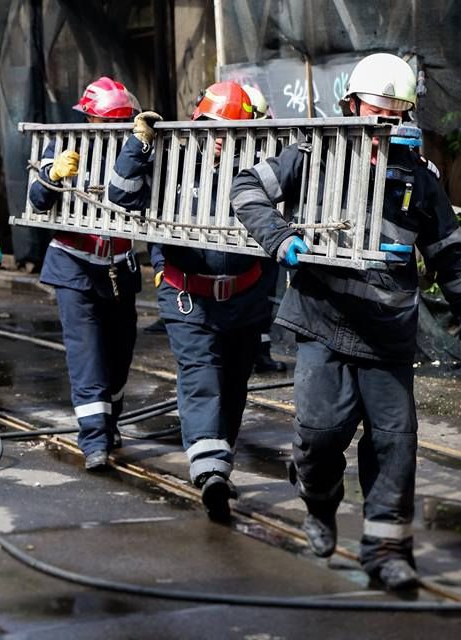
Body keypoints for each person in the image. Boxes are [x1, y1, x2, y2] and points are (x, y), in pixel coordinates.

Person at [231, 53, 461, 590]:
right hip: (322, 320)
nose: (387, 127)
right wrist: (279, 237)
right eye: (378, 115)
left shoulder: (420, 179)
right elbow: (246, 190)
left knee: (395, 443)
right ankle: (318, 498)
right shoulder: (314, 154)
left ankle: (386, 551)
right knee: (320, 436)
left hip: (388, 333)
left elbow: (450, 254)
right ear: (351, 106)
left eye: (397, 117)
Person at [109, 81, 270, 521]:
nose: (219, 138)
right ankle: (209, 471)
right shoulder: (172, 161)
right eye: (212, 127)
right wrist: (139, 146)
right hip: (188, 297)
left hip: (244, 297)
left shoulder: (260, 168)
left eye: (230, 130)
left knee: (233, 385)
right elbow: (121, 194)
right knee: (201, 378)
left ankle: (218, 460)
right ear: (197, 123)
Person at [28, 76, 141, 471]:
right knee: (87, 355)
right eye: (107, 123)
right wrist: (53, 176)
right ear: (90, 119)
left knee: (120, 353)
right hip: (73, 266)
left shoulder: (134, 149)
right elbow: (37, 200)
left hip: (119, 266)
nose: (113, 130)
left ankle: (110, 421)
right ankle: (94, 439)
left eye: (121, 123)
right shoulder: (63, 144)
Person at [241, 84, 287, 374]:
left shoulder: (272, 147)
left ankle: (261, 352)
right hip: (242, 235)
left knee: (265, 294)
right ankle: (251, 351)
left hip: (267, 233)